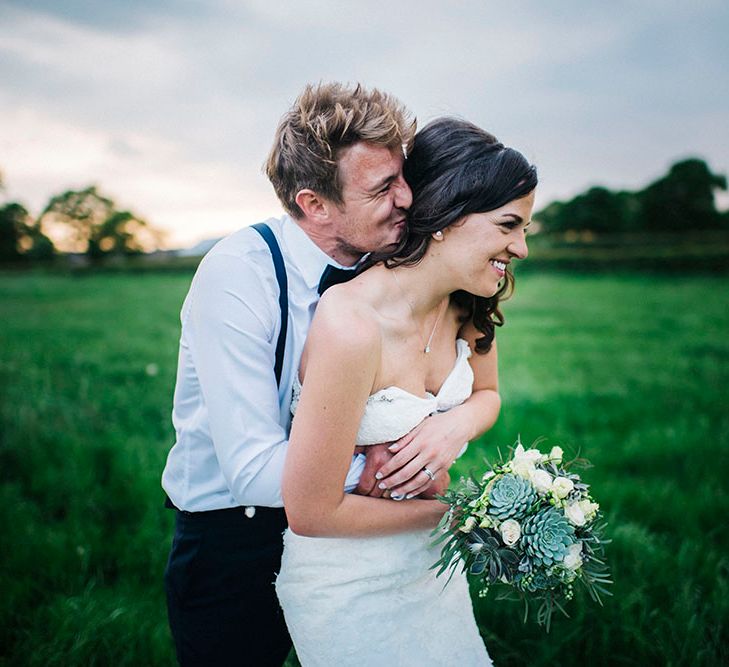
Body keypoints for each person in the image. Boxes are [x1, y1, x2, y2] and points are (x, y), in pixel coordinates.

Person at [161, 82, 461, 666]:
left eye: (403, 178)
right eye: (382, 188)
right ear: (314, 204)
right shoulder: (238, 274)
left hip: (363, 539)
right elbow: (250, 471)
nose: (407, 199)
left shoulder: (390, 263)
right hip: (235, 544)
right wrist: (389, 472)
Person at [276, 117, 538, 665]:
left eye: (525, 231)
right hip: (344, 581)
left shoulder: (469, 305)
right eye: (509, 225)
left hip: (430, 568)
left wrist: (454, 425)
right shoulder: (352, 324)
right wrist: (459, 514)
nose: (521, 249)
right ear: (448, 216)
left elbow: (487, 396)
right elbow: (310, 512)